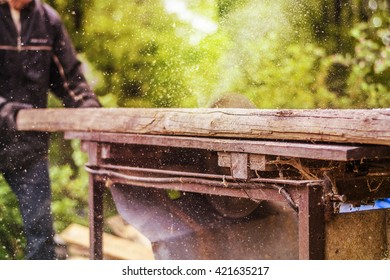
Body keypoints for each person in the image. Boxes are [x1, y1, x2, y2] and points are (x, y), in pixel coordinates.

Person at [0, 0, 100, 259]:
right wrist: (8, 112)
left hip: (28, 146)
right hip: (5, 126)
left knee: (41, 235)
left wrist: (90, 112)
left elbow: (71, 79)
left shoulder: (48, 20)